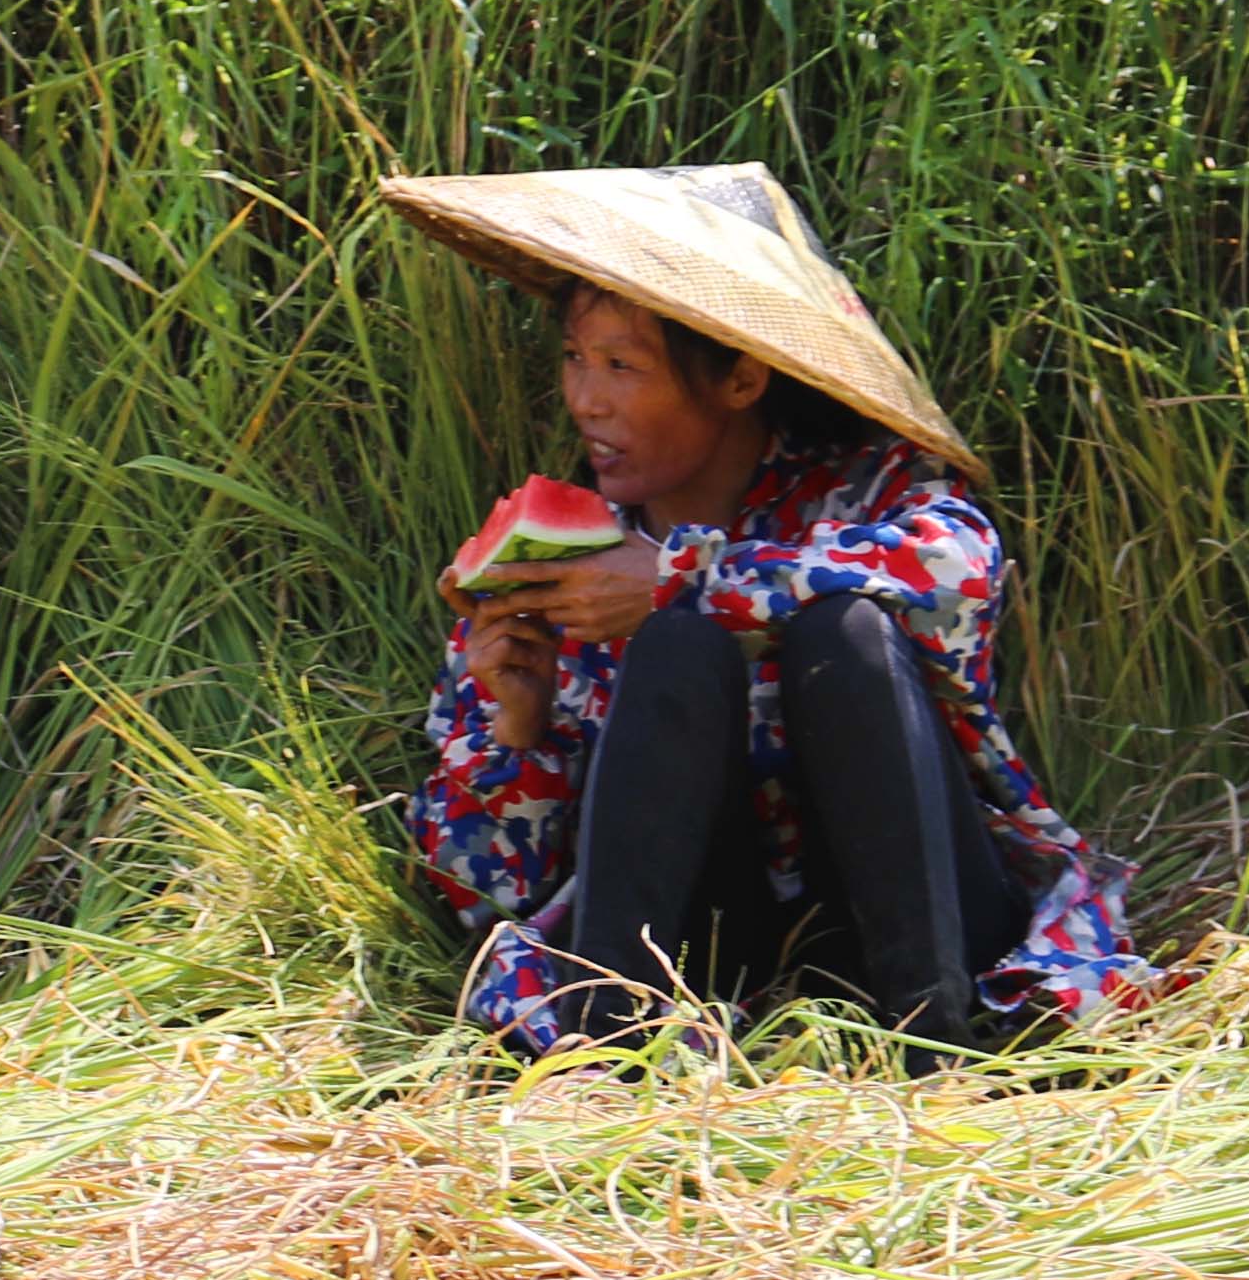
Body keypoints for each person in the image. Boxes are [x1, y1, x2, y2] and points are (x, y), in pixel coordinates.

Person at [388, 162, 1141, 1057]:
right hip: (706, 949)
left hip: (915, 917)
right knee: (677, 650)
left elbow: (960, 566)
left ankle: (935, 1045)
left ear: (741, 380)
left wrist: (685, 575)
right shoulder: (554, 568)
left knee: (843, 629)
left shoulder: (872, 489)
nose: (586, 398)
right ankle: (612, 1045)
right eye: (575, 359)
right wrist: (519, 730)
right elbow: (482, 898)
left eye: (623, 365)